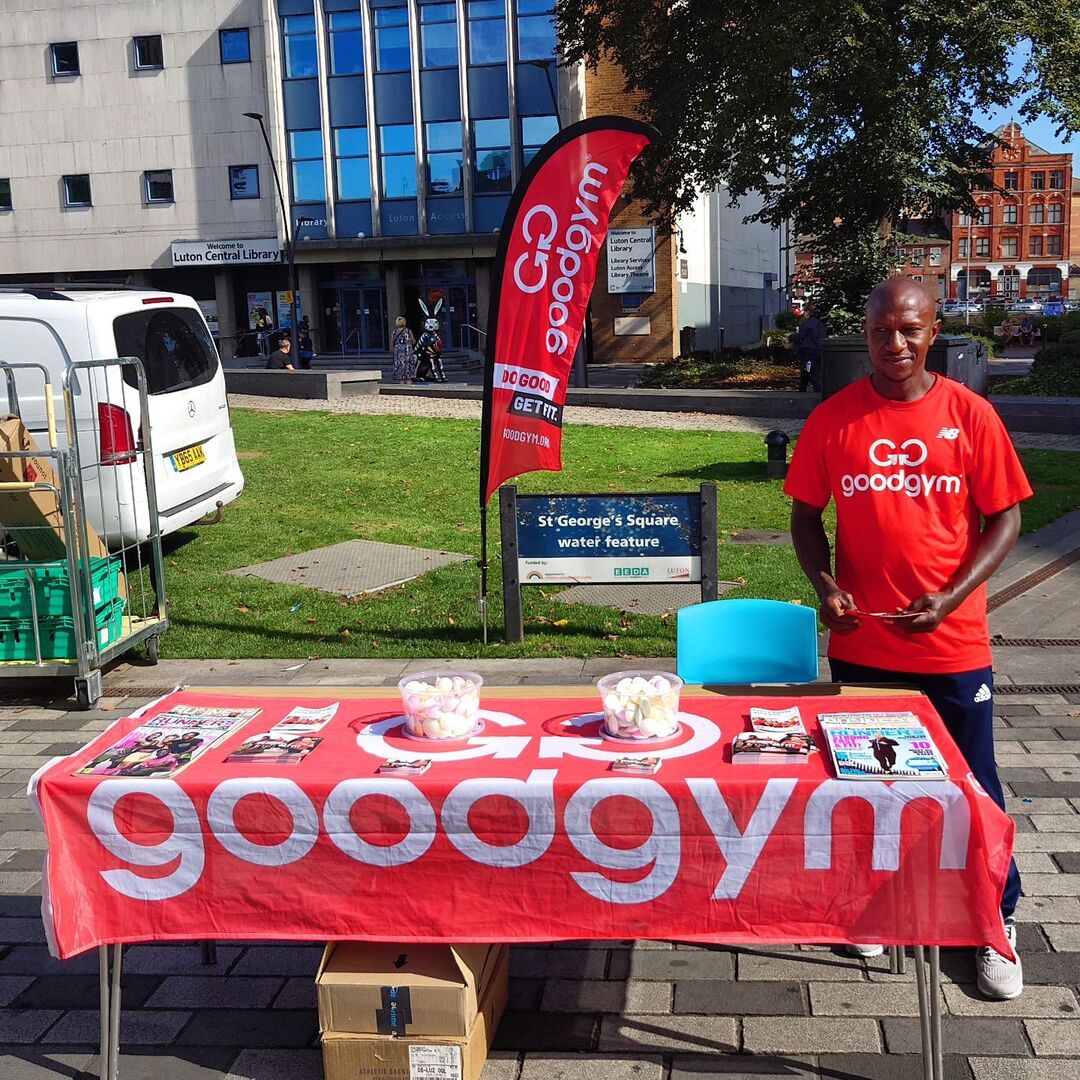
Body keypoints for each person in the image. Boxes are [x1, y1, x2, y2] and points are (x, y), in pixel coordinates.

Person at [784, 276, 1031, 1000]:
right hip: (864, 646)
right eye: (880, 331)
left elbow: (1006, 518)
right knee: (866, 784)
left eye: (909, 330)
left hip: (953, 644)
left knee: (973, 785)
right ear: (865, 335)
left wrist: (952, 597)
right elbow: (805, 517)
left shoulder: (970, 414)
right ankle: (873, 906)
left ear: (933, 333)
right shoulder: (833, 419)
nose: (893, 343)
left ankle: (995, 919)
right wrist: (825, 587)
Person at [791, 304, 828, 392]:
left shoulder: (807, 324)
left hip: (808, 351)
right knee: (808, 371)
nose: (803, 313)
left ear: (808, 312)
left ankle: (816, 391)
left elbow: (800, 336)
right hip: (819, 350)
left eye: (804, 311)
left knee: (810, 372)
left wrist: (790, 337)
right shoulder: (820, 324)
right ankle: (802, 389)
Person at [391, 316, 416, 385]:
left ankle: (402, 387)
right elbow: (414, 341)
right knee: (409, 375)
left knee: (401, 374)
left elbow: (392, 343)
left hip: (398, 353)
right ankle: (409, 387)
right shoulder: (408, 331)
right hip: (407, 352)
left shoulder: (394, 332)